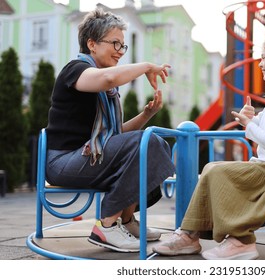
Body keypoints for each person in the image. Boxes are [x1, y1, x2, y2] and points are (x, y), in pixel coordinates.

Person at [152, 34, 265, 260]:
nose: (260, 63)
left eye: (264, 58)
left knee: (217, 171)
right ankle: (191, 234)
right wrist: (253, 119)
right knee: (212, 167)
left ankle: (241, 241)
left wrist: (249, 125)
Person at [45, 8, 175, 253]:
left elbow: (116, 137)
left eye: (123, 46)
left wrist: (147, 115)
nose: (120, 51)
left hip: (89, 156)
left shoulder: (108, 90)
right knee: (146, 143)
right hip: (63, 161)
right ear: (91, 44)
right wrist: (146, 65)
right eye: (115, 43)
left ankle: (125, 221)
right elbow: (107, 79)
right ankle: (106, 225)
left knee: (152, 142)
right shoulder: (75, 70)